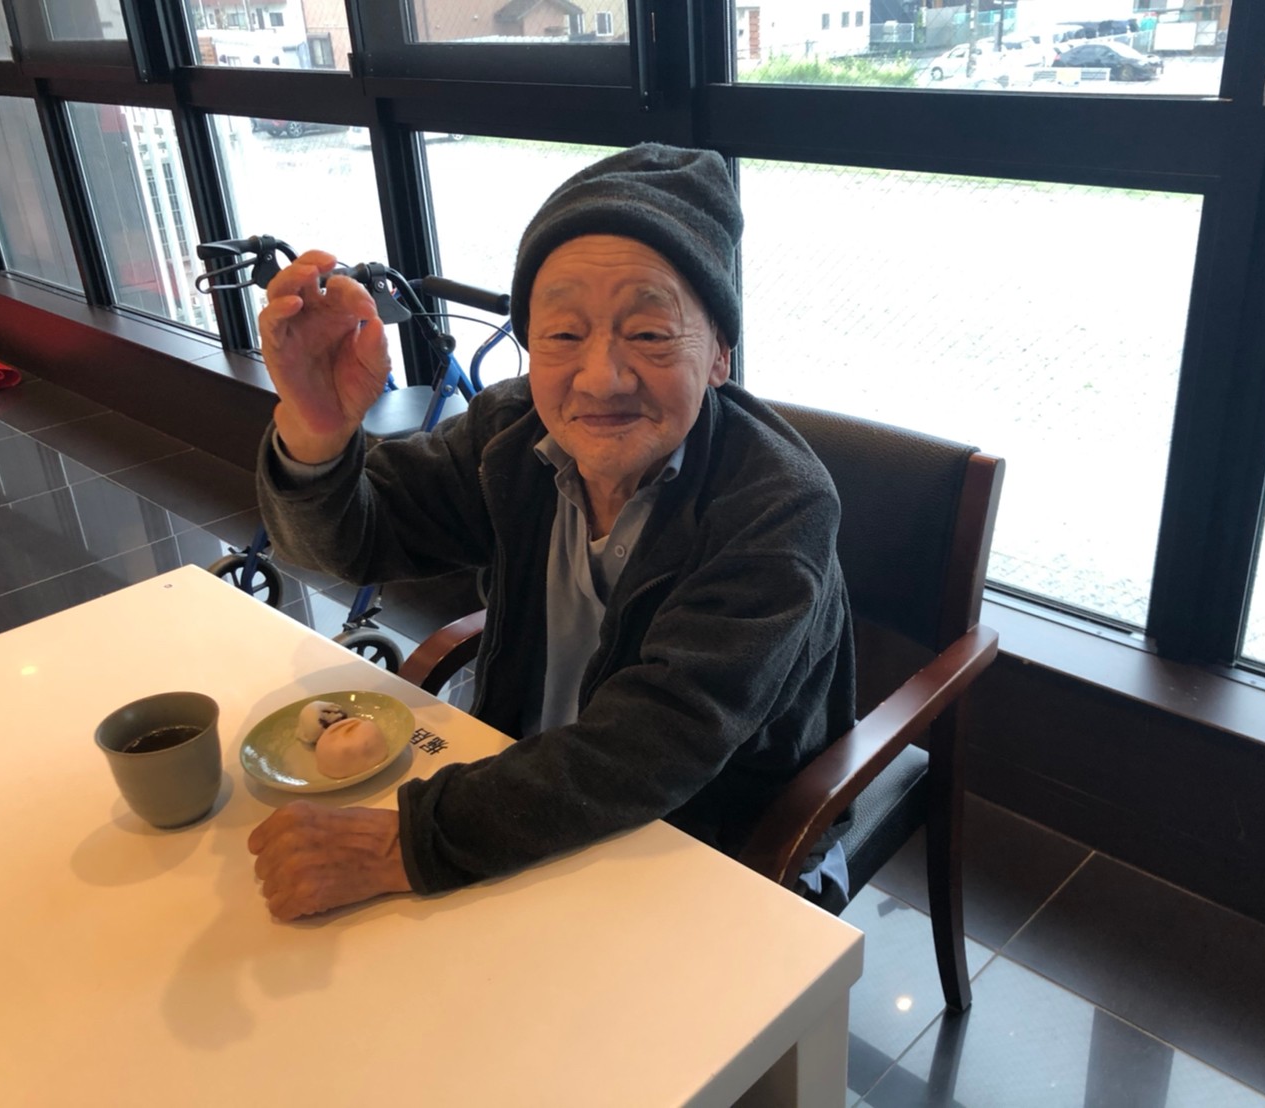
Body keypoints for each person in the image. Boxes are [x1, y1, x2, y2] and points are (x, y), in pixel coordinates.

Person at [246, 144, 855, 921]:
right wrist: (318, 437)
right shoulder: (511, 433)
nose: (601, 378)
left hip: (708, 831)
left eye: (650, 333)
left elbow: (654, 746)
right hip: (523, 791)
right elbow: (353, 541)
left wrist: (404, 844)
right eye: (563, 335)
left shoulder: (776, 505)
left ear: (719, 357)